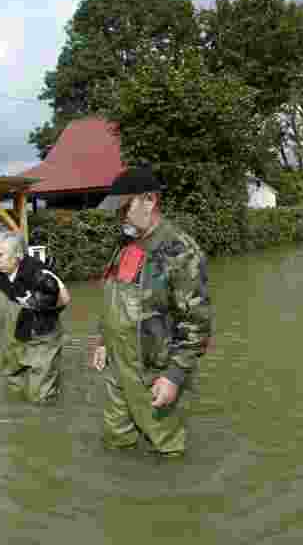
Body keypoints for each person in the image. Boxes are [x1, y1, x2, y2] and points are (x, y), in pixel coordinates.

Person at [90, 166, 213, 456]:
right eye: (116, 209)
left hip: (154, 374)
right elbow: (112, 296)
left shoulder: (180, 251)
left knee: (166, 448)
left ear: (150, 200)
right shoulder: (124, 244)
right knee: (116, 442)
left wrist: (173, 375)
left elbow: (197, 324)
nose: (119, 216)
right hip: (117, 368)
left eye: (125, 207)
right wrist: (103, 340)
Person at [0, 230, 71, 403]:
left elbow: (65, 298)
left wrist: (38, 304)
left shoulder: (38, 273)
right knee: (14, 391)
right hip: (15, 339)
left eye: (0, 255)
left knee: (40, 397)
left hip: (42, 338)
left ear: (17, 254)